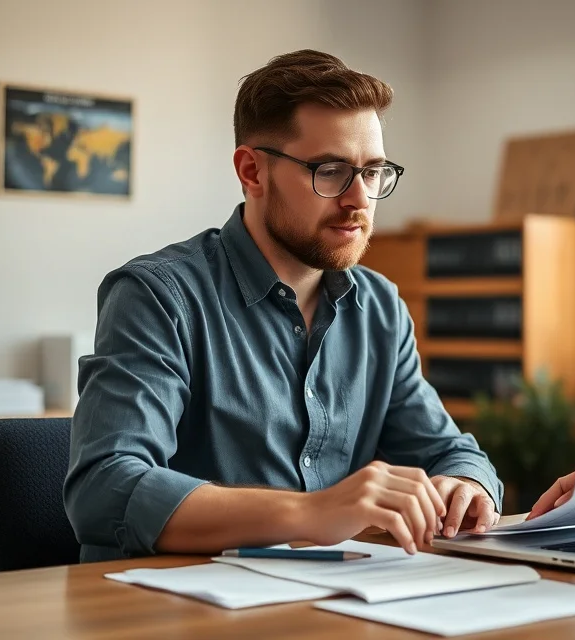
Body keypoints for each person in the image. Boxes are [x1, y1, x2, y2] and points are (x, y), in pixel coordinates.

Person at [64, 50, 502, 562]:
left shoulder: (380, 307)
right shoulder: (158, 296)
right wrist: (310, 514)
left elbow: (449, 451)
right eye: (331, 170)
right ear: (252, 172)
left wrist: (465, 485)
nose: (359, 199)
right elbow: (105, 488)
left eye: (374, 172)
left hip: (332, 603)